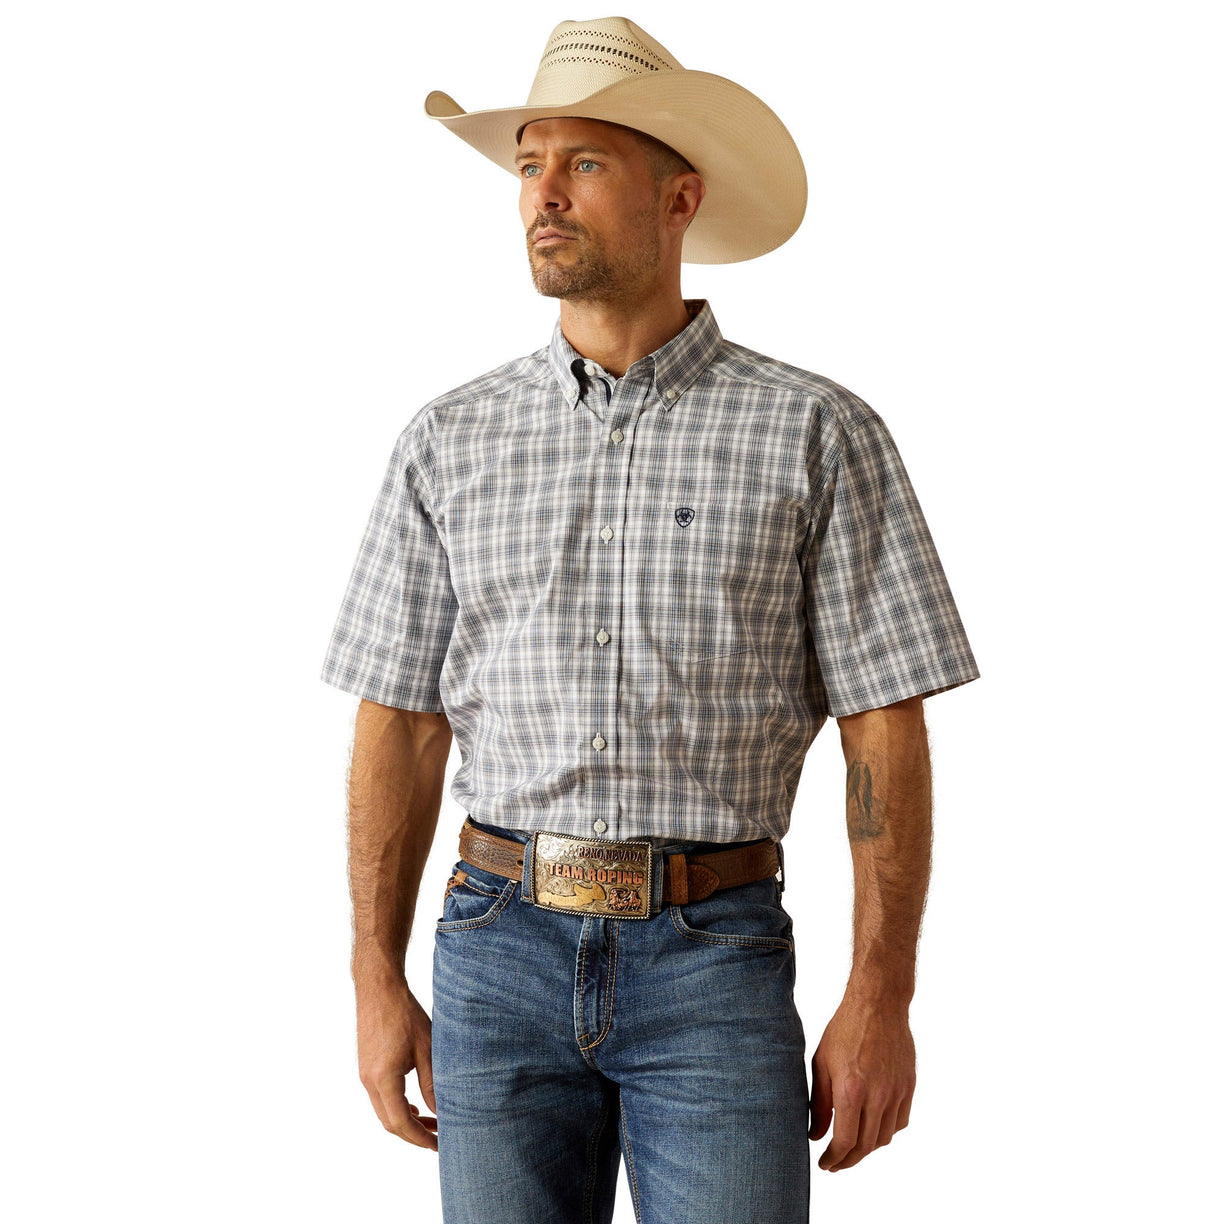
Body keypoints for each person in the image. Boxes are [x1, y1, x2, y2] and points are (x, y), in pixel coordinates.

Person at [321, 16, 979, 1224]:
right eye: (528, 165)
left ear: (680, 198)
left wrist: (881, 994)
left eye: (583, 164)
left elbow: (886, 726)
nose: (542, 197)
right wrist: (374, 975)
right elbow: (397, 725)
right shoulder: (446, 443)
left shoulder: (818, 434)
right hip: (493, 955)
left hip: (714, 961)